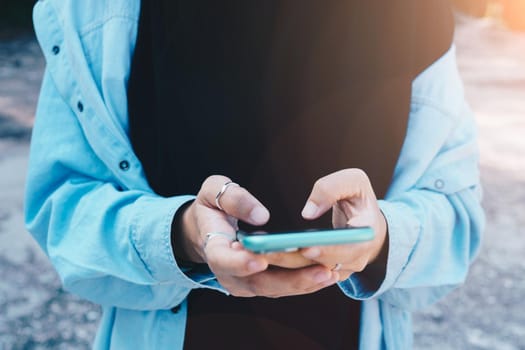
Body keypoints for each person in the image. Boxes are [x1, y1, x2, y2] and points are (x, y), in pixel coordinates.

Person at [26, 0, 484, 349]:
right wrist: (181, 236)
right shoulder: (91, 13)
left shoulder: (416, 17)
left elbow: (457, 219)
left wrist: (382, 238)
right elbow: (60, 206)